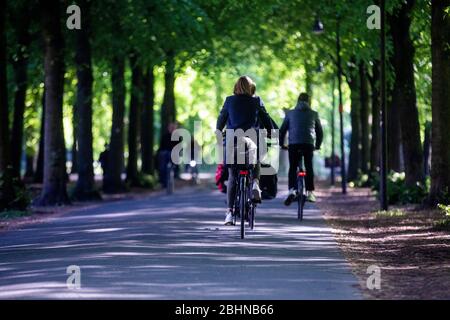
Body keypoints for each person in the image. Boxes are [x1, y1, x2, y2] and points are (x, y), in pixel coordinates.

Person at [216, 76, 275, 225]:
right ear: (250, 88)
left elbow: (221, 119)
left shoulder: (229, 100)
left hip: (232, 141)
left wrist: (218, 131)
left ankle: (229, 213)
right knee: (255, 163)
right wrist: (270, 132)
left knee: (232, 177)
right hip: (252, 140)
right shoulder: (256, 101)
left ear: (236, 87)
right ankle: (255, 183)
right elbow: (266, 119)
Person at [279, 92, 323, 205]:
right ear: (309, 102)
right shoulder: (314, 114)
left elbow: (282, 130)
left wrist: (281, 144)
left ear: (297, 101)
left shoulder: (290, 113)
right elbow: (319, 132)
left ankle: (292, 190)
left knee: (293, 167)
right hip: (308, 144)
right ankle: (310, 192)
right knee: (309, 166)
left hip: (293, 144)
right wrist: (317, 145)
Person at [158, 122, 180, 188]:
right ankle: (163, 181)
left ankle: (175, 172)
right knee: (162, 165)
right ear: (168, 128)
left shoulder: (177, 137)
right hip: (165, 154)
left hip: (173, 154)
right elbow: (161, 147)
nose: (172, 129)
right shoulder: (164, 136)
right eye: (170, 128)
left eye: (173, 128)